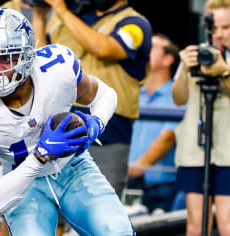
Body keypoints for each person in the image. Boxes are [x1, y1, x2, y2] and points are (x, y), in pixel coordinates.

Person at [0, 8, 134, 235]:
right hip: (22, 183)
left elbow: (105, 94)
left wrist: (96, 123)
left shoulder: (56, 67)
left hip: (73, 168)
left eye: (5, 59)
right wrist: (40, 156)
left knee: (116, 231)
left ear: (26, 54)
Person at [31, 0, 152, 198]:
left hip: (109, 128)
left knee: (101, 208)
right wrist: (39, 16)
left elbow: (102, 48)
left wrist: (61, 9)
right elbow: (42, 60)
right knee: (52, 204)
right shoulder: (72, 17)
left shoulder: (135, 23)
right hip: (61, 122)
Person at [172, 0, 230, 235]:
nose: (220, 35)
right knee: (195, 226)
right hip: (195, 148)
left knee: (228, 223)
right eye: (214, 28)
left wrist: (223, 71)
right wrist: (185, 69)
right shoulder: (195, 53)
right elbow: (178, 98)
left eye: (226, 27)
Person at [127, 33, 182, 213]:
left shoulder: (178, 95)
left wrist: (137, 168)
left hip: (161, 185)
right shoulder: (135, 93)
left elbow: (168, 137)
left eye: (153, 46)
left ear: (168, 59)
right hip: (128, 182)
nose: (145, 49)